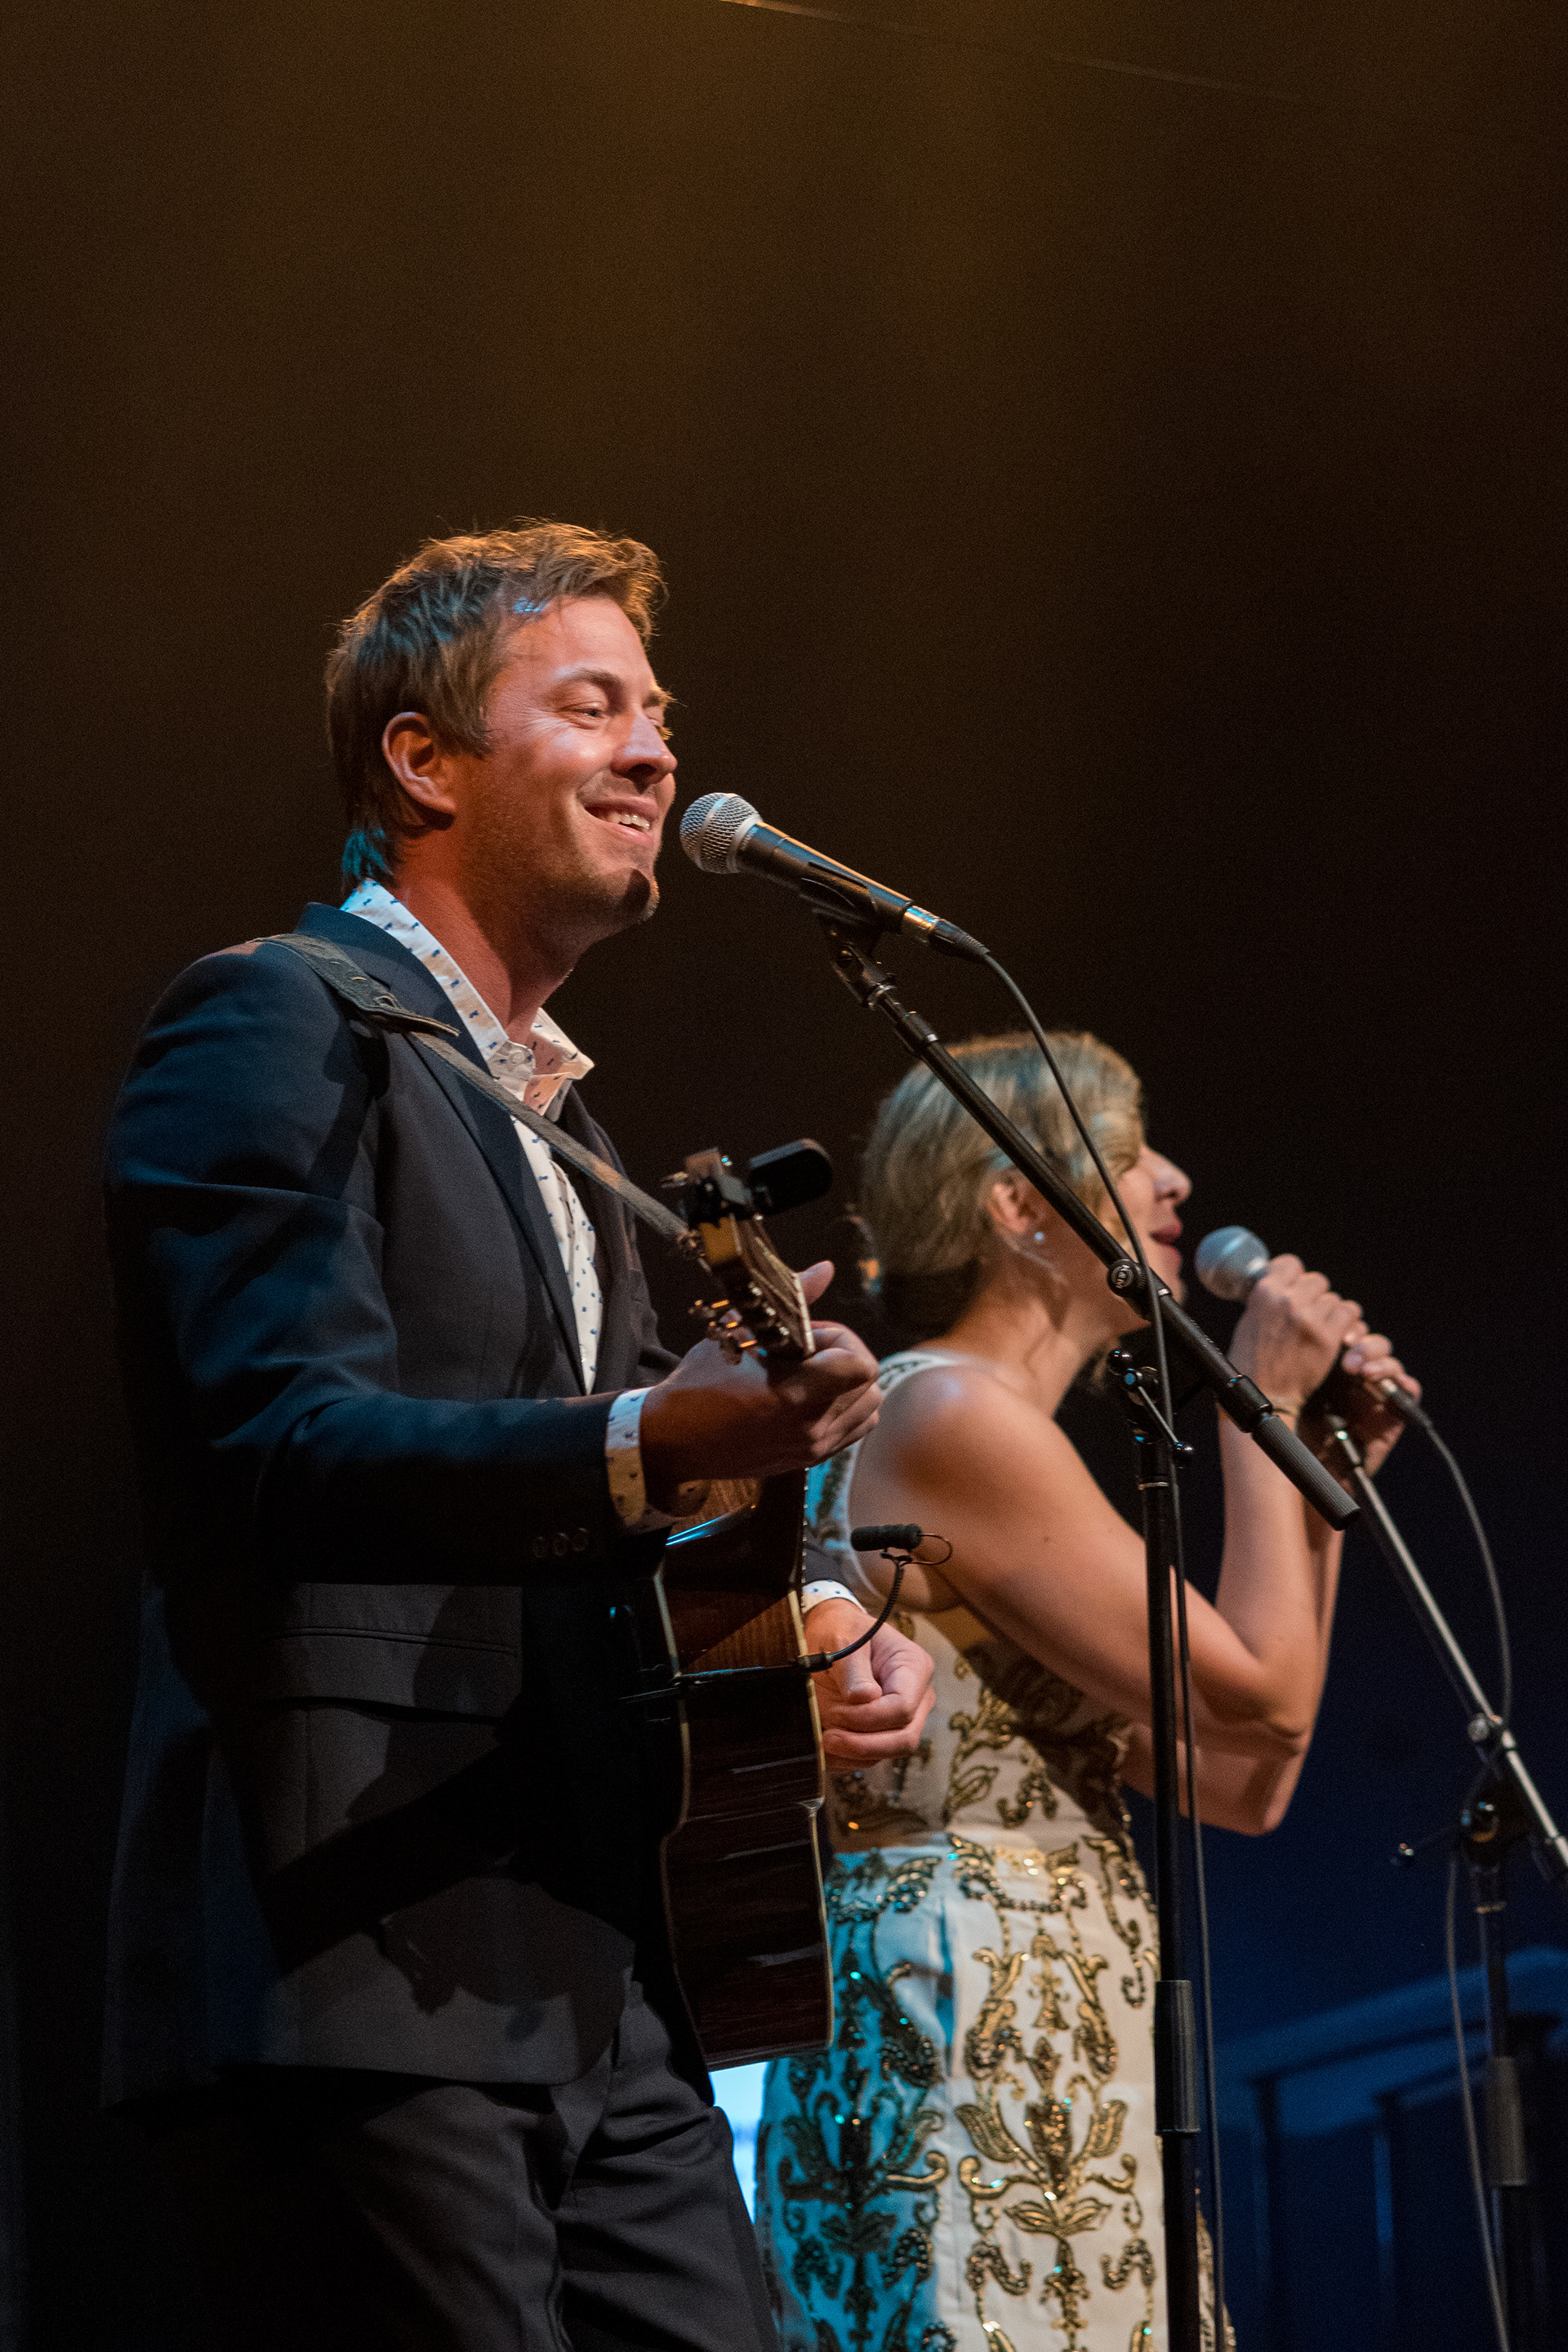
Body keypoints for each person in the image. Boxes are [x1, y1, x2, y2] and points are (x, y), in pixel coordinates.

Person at [101, 521, 935, 2352]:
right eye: (595, 707)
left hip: (595, 1960)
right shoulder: (275, 1018)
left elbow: (621, 1488)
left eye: (661, 714)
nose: (658, 753)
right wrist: (658, 1432)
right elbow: (280, 1448)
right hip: (357, 1946)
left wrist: (793, 1612)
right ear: (424, 760)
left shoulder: (575, 1135)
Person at [755, 1031, 1420, 2352]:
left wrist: (1323, 1479)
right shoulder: (950, 1414)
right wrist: (1257, 1414)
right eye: (1128, 1150)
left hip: (1049, 2009)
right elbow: (1267, 1701)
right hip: (969, 2012)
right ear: (1018, 1206)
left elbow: (1246, 1782)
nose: (1174, 1181)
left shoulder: (977, 1426)